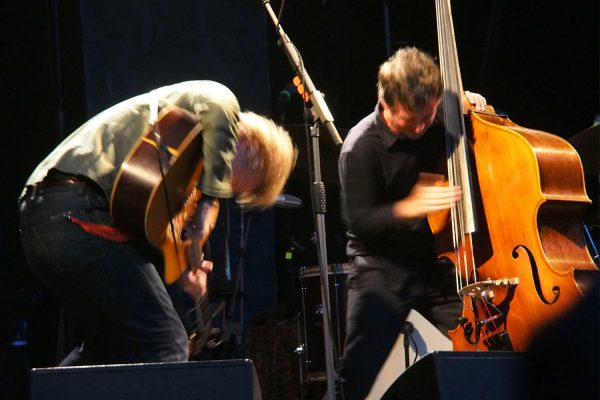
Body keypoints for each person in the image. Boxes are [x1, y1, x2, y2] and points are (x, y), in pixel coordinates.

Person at [18, 80, 296, 366]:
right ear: (249, 146)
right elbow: (219, 100)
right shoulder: (221, 104)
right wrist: (209, 204)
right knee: (167, 340)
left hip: (45, 222)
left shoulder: (179, 169)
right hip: (74, 209)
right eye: (234, 184)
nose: (229, 190)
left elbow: (141, 227)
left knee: (109, 346)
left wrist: (186, 267)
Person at [337, 47, 487, 399]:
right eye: (411, 121)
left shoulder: (432, 110)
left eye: (428, 116)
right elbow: (361, 221)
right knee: (357, 375)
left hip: (432, 263)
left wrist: (470, 100)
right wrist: (409, 207)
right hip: (380, 268)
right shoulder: (359, 147)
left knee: (482, 341)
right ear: (384, 102)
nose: (422, 128)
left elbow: (454, 105)